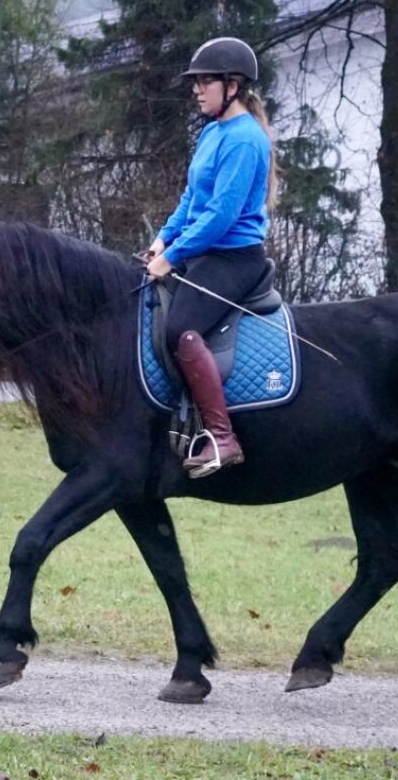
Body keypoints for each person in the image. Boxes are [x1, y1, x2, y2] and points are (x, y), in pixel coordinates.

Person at [145, 36, 278, 479]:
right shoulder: (212, 131)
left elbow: (221, 215)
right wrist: (164, 239)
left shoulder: (244, 140)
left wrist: (176, 254)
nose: (197, 90)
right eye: (195, 82)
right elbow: (192, 198)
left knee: (181, 328)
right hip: (203, 251)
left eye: (205, 82)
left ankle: (223, 438)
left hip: (234, 258)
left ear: (233, 86)